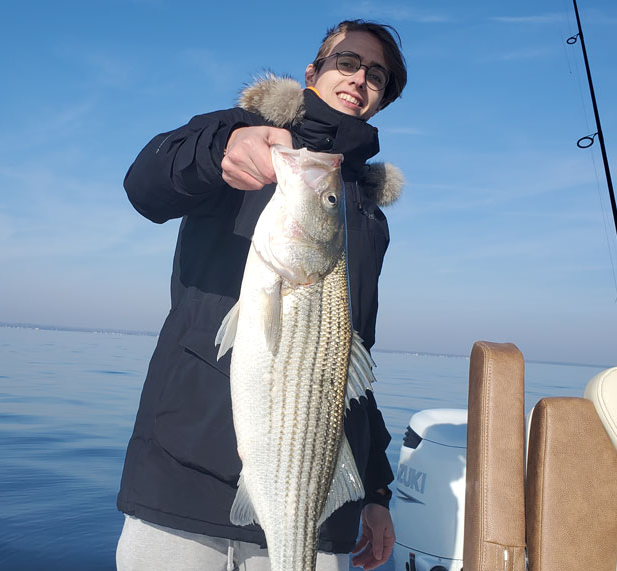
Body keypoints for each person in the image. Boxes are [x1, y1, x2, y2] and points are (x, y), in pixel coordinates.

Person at [116, 19, 407, 571]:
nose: (360, 79)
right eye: (347, 62)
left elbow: (349, 356)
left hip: (310, 505)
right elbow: (145, 184)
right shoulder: (240, 134)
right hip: (182, 483)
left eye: (378, 76)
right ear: (312, 73)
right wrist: (221, 148)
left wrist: (373, 491)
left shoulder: (366, 212)